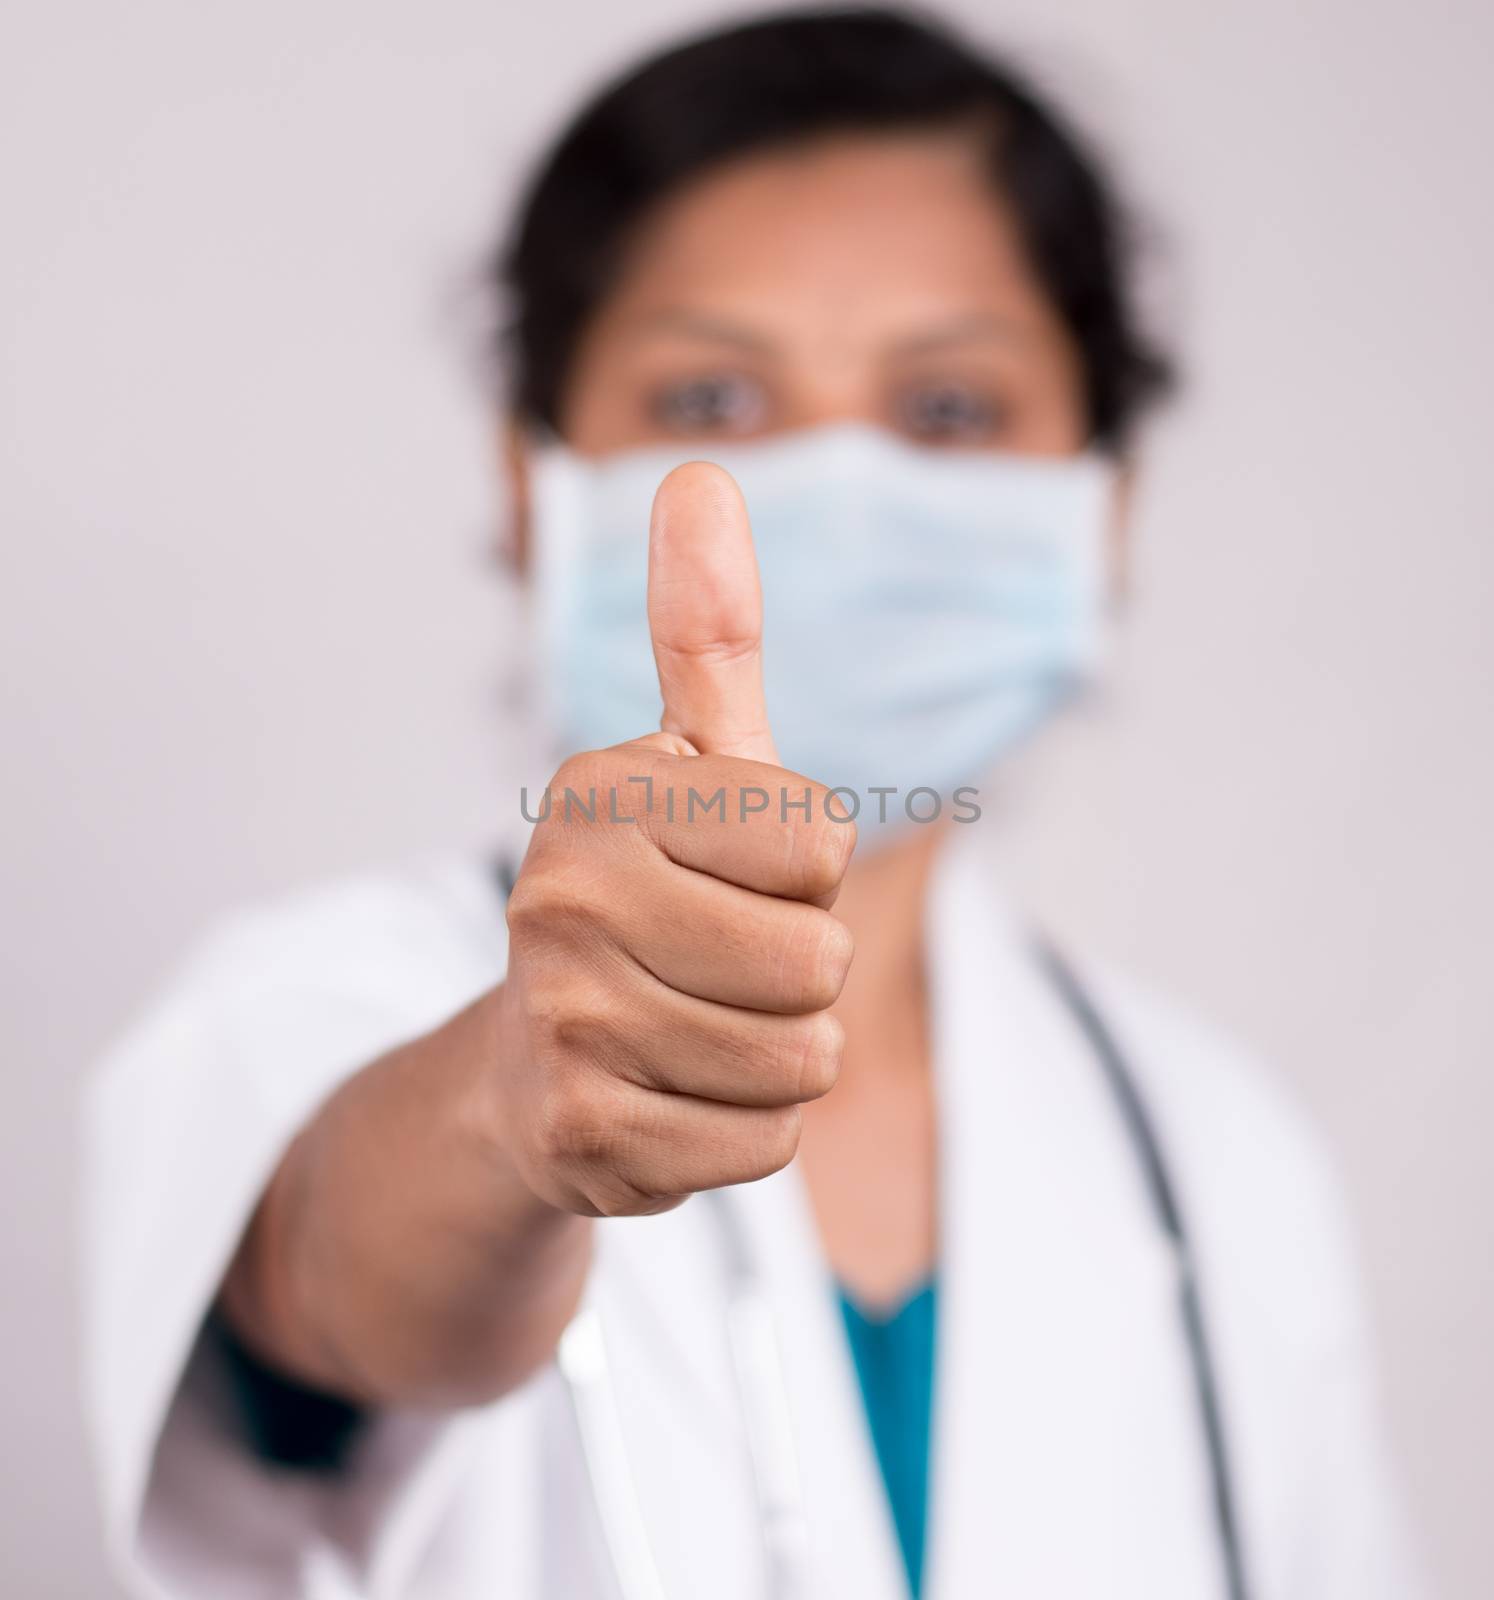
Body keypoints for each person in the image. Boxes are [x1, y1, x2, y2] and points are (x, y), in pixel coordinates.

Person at [81, 9, 1424, 1598]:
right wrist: (511, 1103)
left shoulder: (1224, 1155)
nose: (833, 495)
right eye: (710, 402)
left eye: (949, 411)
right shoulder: (299, 1010)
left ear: (1101, 511)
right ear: (533, 490)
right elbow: (324, 1286)